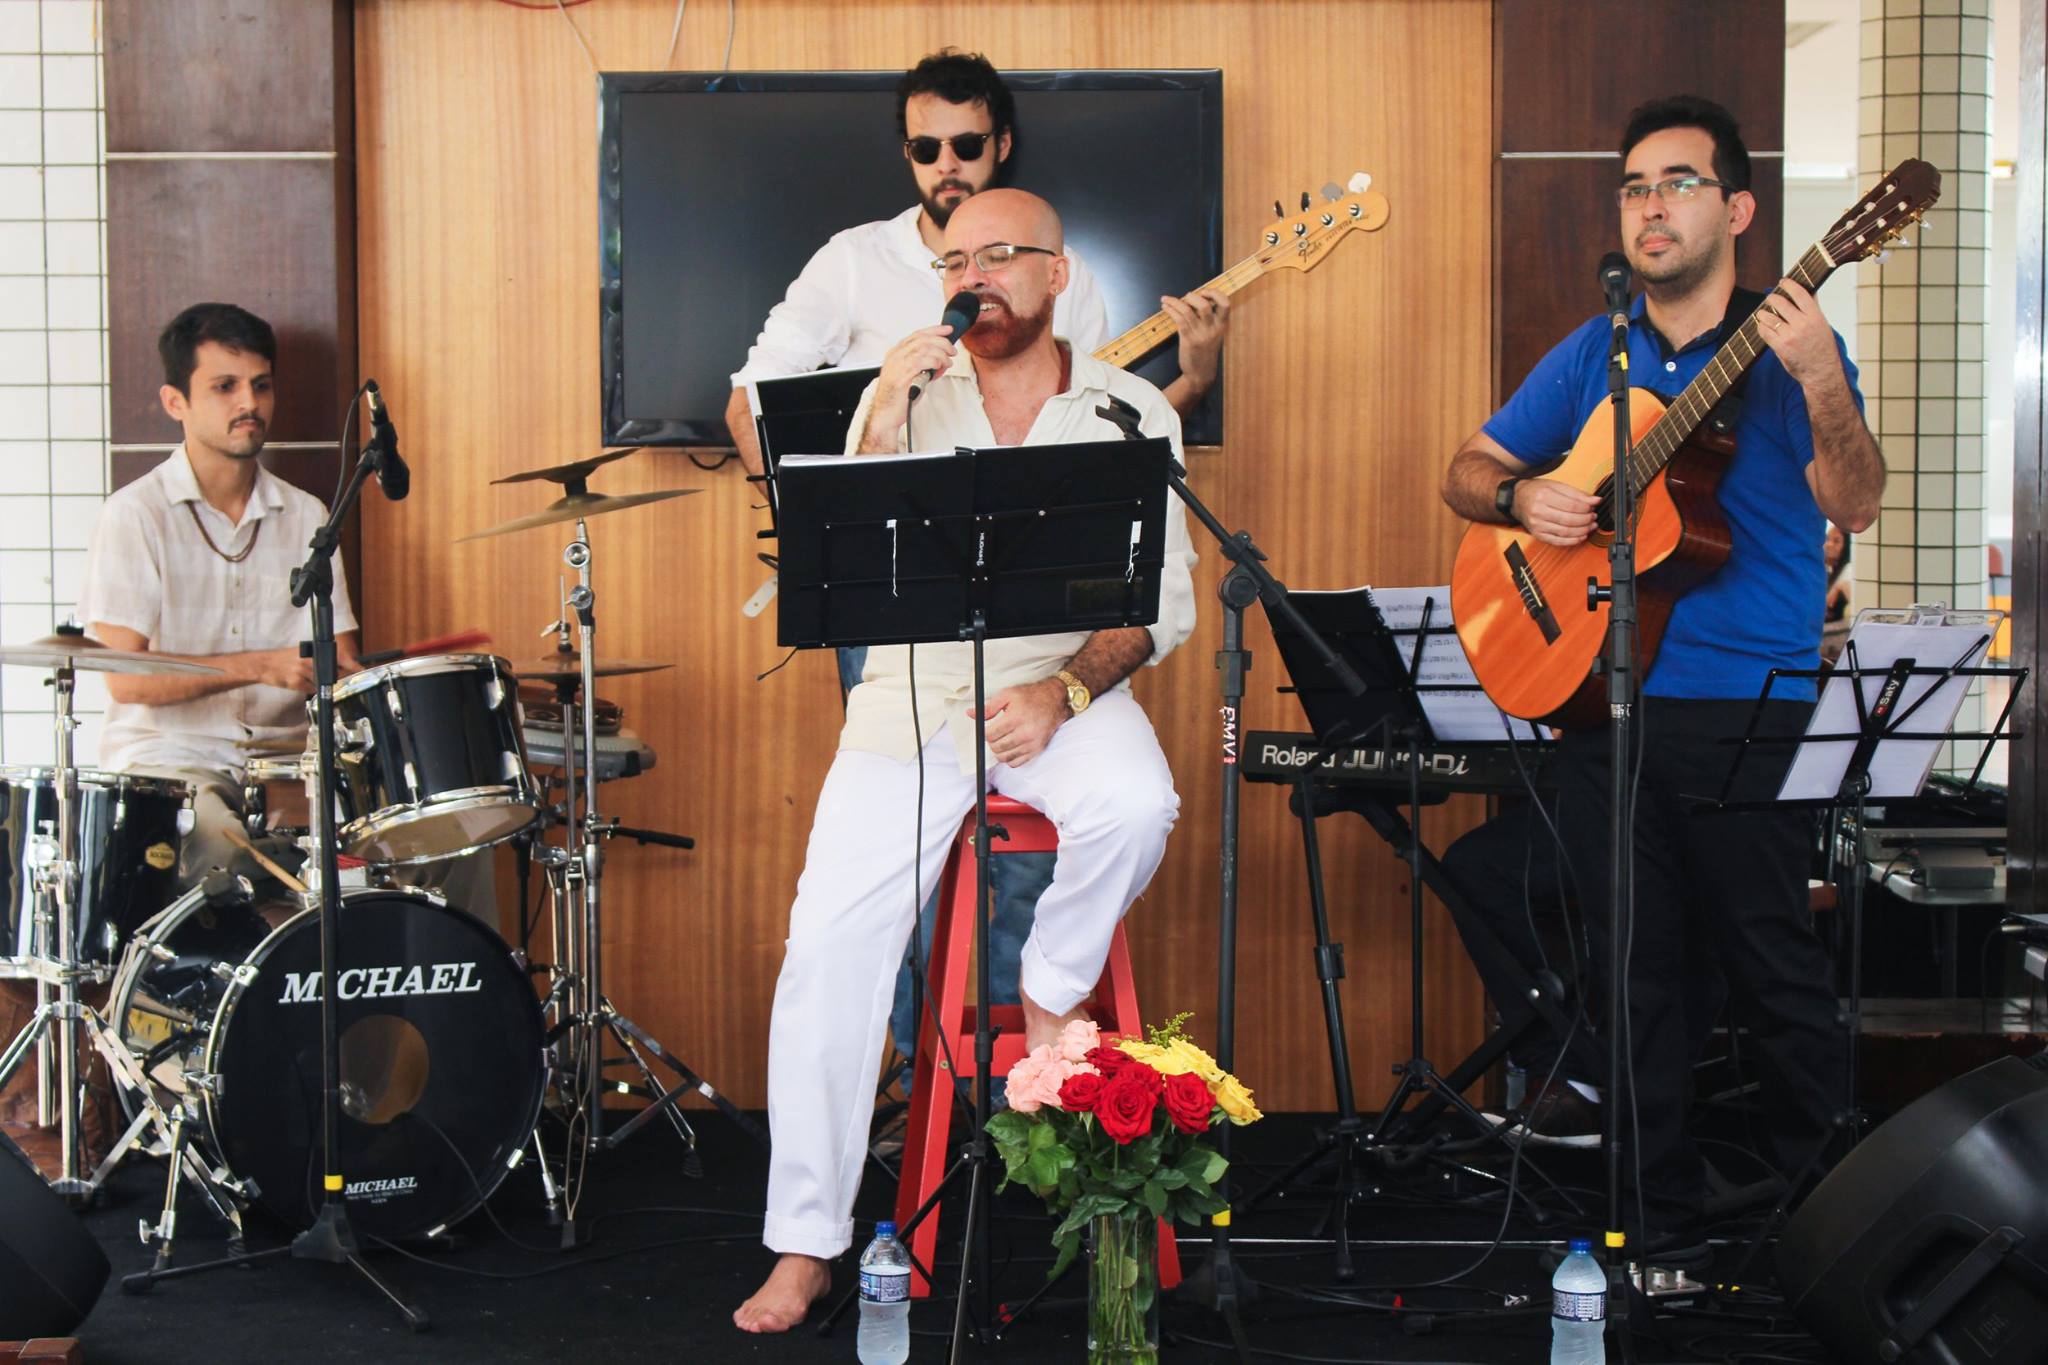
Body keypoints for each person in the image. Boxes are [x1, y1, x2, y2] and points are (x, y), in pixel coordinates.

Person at [734, 188, 1197, 1334]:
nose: (972, 276)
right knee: (826, 951)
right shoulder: (899, 397)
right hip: (911, 698)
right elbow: (843, 573)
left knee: (1138, 802)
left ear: (1055, 274)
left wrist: (1063, 693)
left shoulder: (1128, 408)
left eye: (998, 255)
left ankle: (1045, 993)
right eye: (953, 260)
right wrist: (880, 416)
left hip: (1057, 689)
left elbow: (1161, 605)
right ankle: (804, 1244)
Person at [727, 48, 1228, 1088]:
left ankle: (1027, 1022)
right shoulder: (853, 274)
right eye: (925, 147)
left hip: (1049, 654)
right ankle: (907, 1090)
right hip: (907, 660)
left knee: (1116, 814)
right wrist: (878, 420)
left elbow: (1120, 482)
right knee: (846, 921)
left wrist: (1062, 691)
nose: (944, 163)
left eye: (963, 144)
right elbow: (761, 407)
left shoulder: (1104, 374)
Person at [1439, 96, 1883, 1257]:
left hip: (1746, 704)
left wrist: (1818, 376)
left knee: (1770, 968)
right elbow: (1466, 467)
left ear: (1734, 210)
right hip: (1605, 698)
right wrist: (1521, 497)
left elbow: (1855, 502)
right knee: (1634, 977)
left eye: (1677, 183)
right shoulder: (1597, 351)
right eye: (1634, 186)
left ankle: (1831, 1237)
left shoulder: (1787, 346)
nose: (1649, 205)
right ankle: (1651, 1237)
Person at [76, 304, 493, 915]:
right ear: (175, 402)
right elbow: (125, 679)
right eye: (225, 386)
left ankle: (452, 979)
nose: (249, 402)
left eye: (261, 385)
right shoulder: (134, 515)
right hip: (176, 765)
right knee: (221, 851)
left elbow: (341, 665)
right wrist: (259, 666)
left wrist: (385, 689)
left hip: (292, 765)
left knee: (454, 834)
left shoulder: (306, 515)